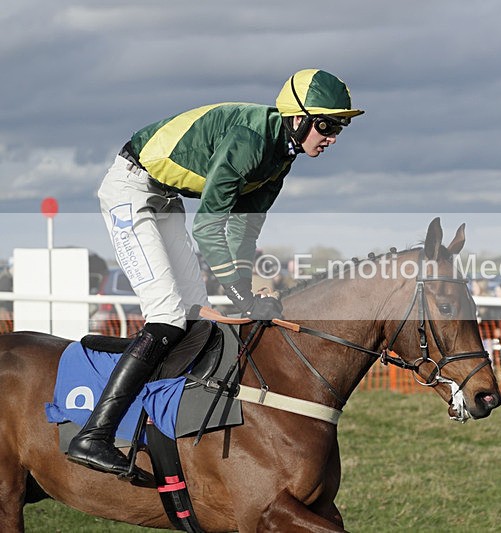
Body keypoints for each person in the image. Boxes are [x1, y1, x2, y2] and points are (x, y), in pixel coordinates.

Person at [67, 69, 364, 477]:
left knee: (195, 314)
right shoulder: (251, 142)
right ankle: (94, 435)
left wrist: (245, 289)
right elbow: (208, 226)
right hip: (130, 188)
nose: (332, 136)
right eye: (327, 124)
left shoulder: (282, 156)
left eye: (339, 127)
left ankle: (160, 419)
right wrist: (241, 295)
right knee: (168, 315)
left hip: (164, 195)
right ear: (298, 118)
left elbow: (243, 229)